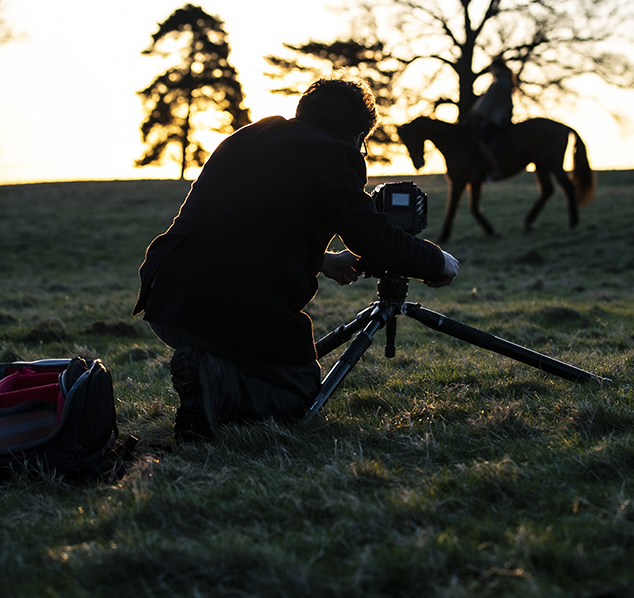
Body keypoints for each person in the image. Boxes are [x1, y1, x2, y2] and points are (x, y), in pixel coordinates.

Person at [133, 76, 459, 443]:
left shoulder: (250, 136)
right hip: (229, 308)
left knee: (256, 358)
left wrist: (322, 260)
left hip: (168, 300)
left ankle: (211, 372)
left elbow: (244, 223)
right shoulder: (333, 154)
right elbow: (376, 241)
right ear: (357, 136)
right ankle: (216, 382)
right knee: (300, 392)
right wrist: (438, 262)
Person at [468, 57, 515, 180]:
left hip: (495, 118)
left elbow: (487, 102)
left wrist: (476, 113)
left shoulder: (499, 83)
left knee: (479, 140)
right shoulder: (506, 81)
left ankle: (494, 168)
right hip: (501, 117)